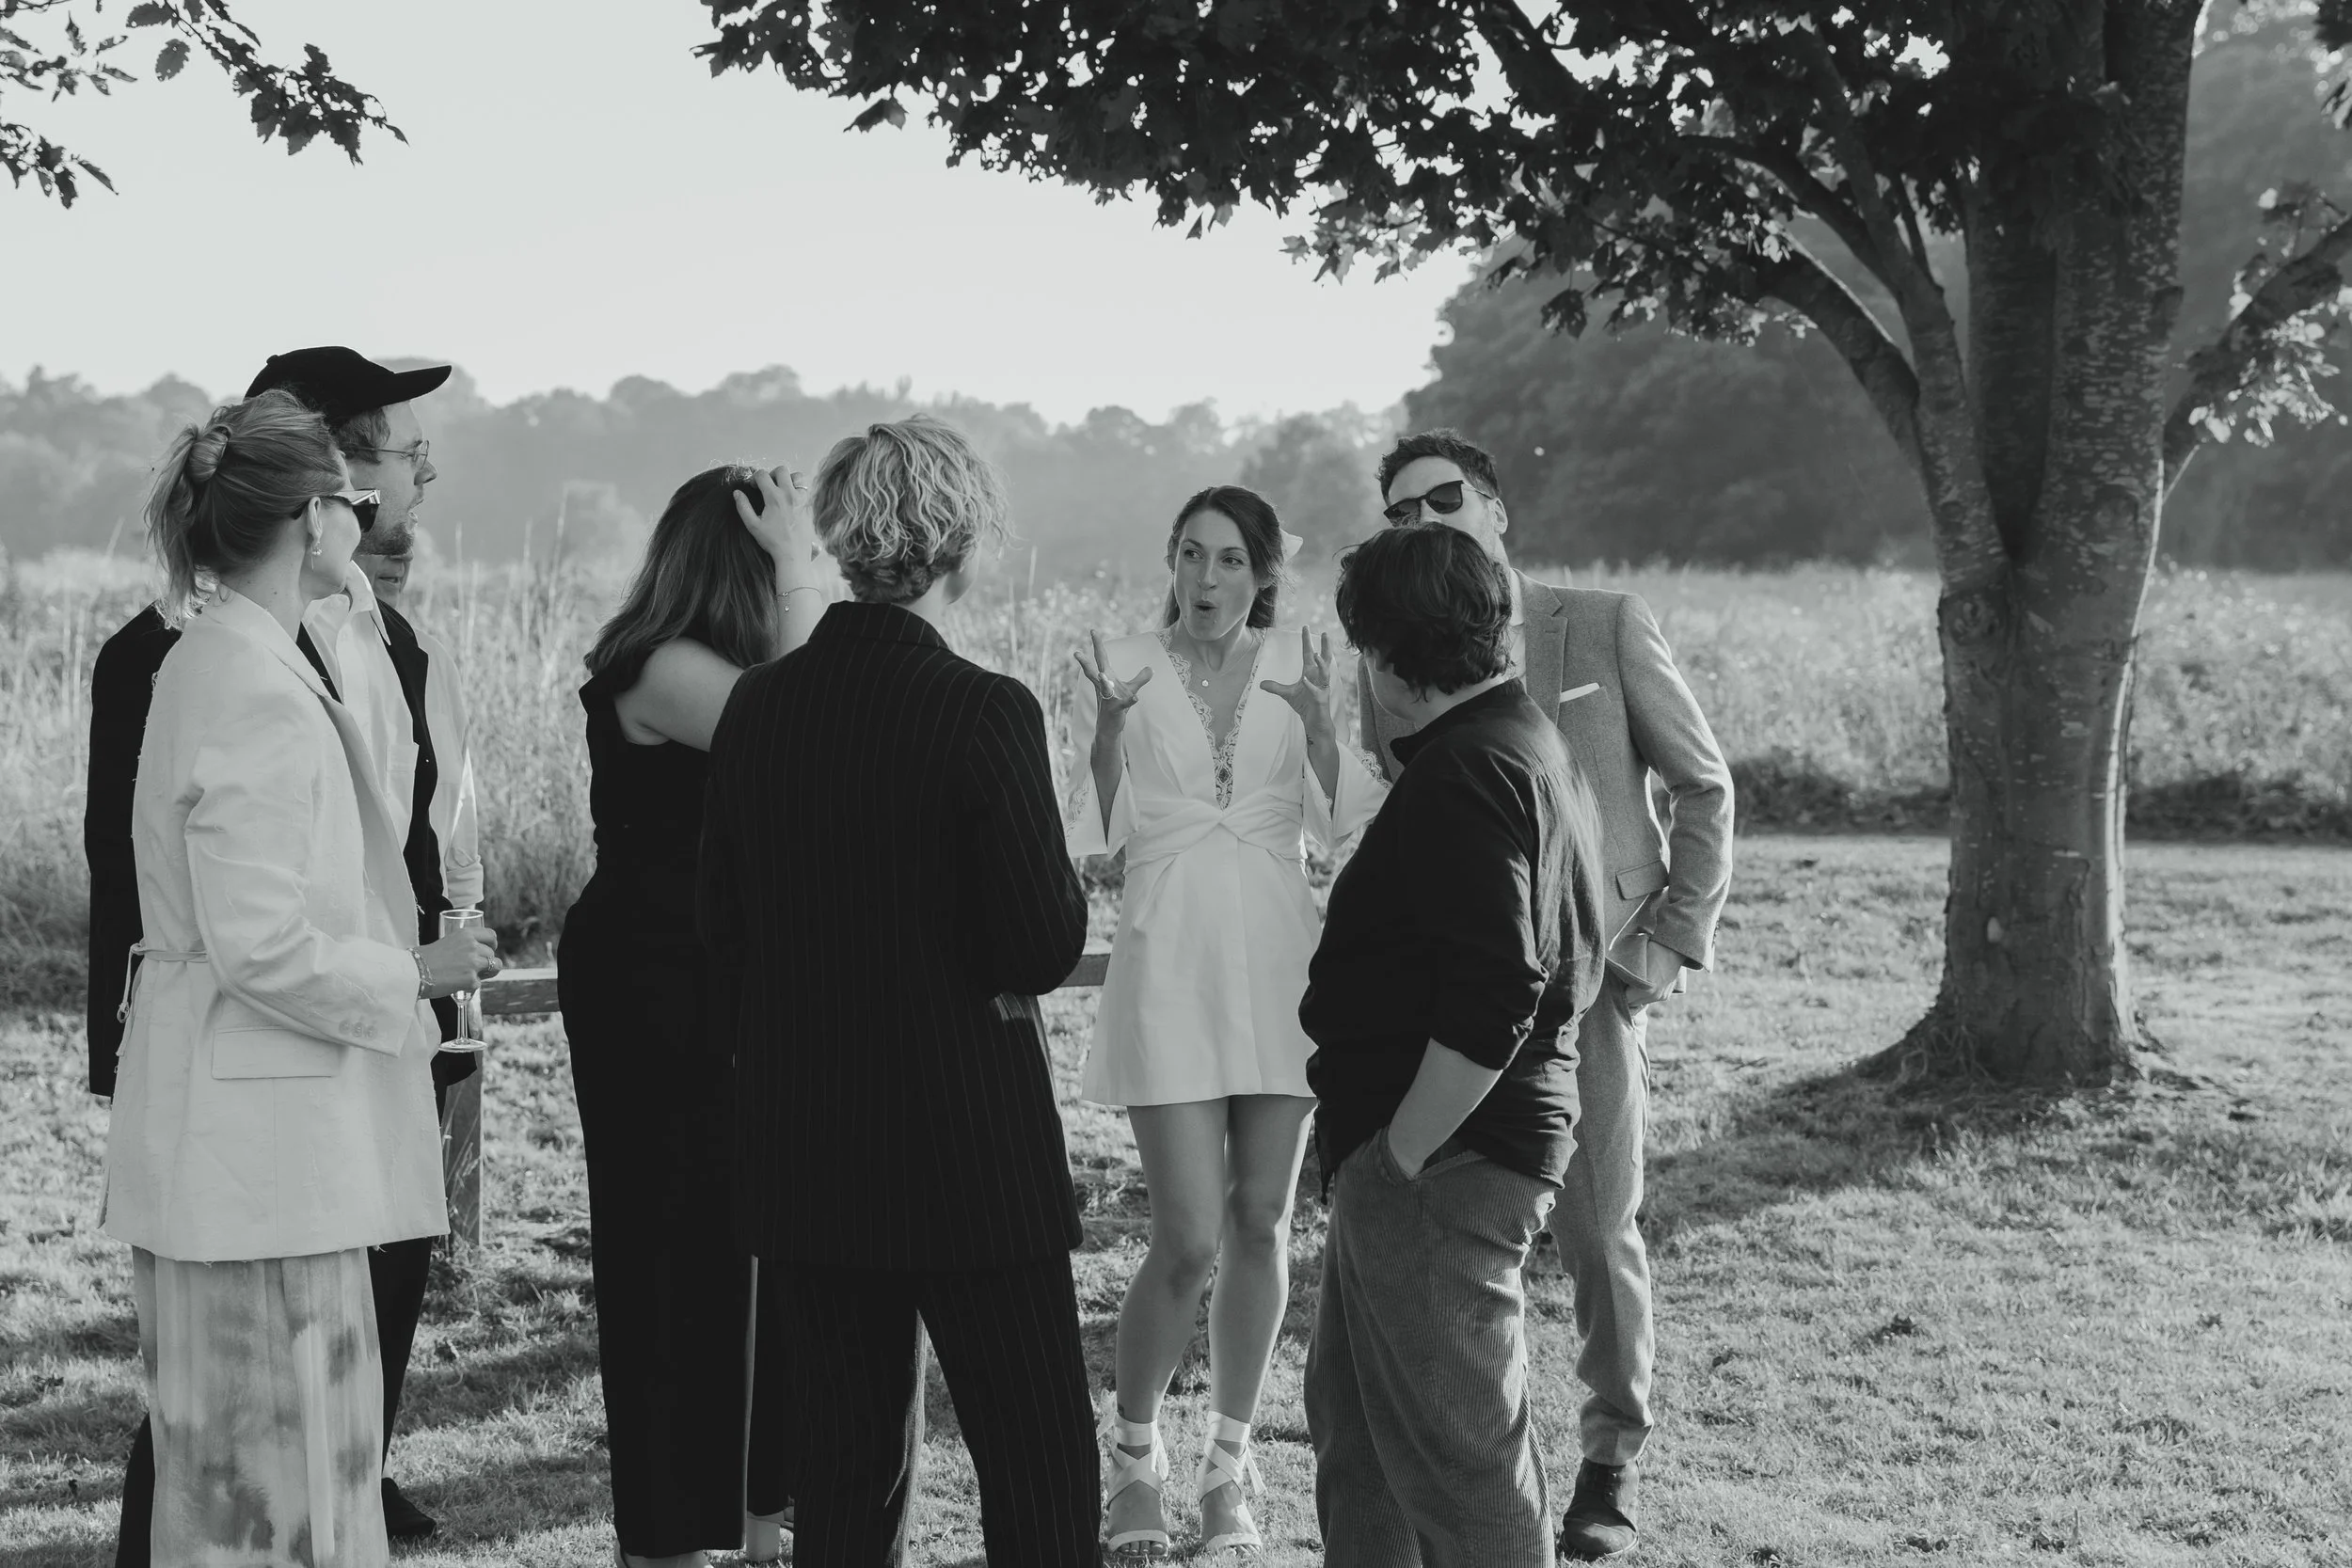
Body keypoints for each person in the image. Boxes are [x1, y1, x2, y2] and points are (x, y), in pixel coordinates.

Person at [92, 347, 484, 1558]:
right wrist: (414, 971)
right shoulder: (245, 677)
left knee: (284, 1485)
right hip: (259, 1156)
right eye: (348, 501)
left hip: (259, 1144)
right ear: (310, 518)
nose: (360, 520)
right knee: (271, 1500)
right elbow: (261, 941)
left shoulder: (231, 655)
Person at [700, 415, 1097, 1565]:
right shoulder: (986, 710)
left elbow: (720, 936)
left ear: (842, 539)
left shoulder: (758, 709)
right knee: (1036, 1461)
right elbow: (1038, 944)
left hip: (808, 1139)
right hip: (970, 1146)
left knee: (847, 1474)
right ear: (961, 543)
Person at [1358, 429, 1734, 1559]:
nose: (1426, 521)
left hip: (1598, 979)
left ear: (1496, 507)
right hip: (1465, 996)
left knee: (1596, 1224)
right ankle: (1493, 1474)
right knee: (1476, 1238)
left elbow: (1701, 783)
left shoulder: (1601, 622)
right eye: (1402, 512)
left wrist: (1659, 949)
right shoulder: (1389, 653)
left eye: (1444, 499)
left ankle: (1609, 1457)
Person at [1066, 485, 1384, 1556]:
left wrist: (1331, 728)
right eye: (1191, 556)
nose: (1207, 581)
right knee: (1187, 1233)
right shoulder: (1122, 660)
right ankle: (1133, 1457)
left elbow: (1340, 827)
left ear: (1261, 575)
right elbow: (1099, 837)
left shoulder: (1303, 658)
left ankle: (1228, 1469)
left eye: (1230, 562)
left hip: (1281, 958)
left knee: (1261, 1220)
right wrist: (1106, 735)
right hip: (1167, 957)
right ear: (1171, 559)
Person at [1300, 523, 1606, 1566]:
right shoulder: (1514, 741)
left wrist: (1398, 1154)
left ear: (1386, 657)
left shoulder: (1468, 772)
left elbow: (1498, 990)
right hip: (1424, 1155)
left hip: (1443, 1162)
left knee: (1460, 1463)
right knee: (1361, 1434)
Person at [558, 463, 830, 1568]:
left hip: (726, 979)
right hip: (652, 986)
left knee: (750, 1241)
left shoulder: (721, 668)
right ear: (741, 564)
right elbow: (814, 729)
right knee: (670, 1250)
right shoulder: (661, 667)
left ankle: (758, 1511)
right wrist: (802, 566)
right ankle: (669, 1532)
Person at [248, 345, 482, 1540]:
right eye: (403, 450)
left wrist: (448, 985)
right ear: (335, 466)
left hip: (411, 999)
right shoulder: (218, 650)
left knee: (397, 1254)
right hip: (294, 1026)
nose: (422, 474)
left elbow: (433, 820)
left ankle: (359, 1465)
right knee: (262, 1339)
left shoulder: (396, 640)